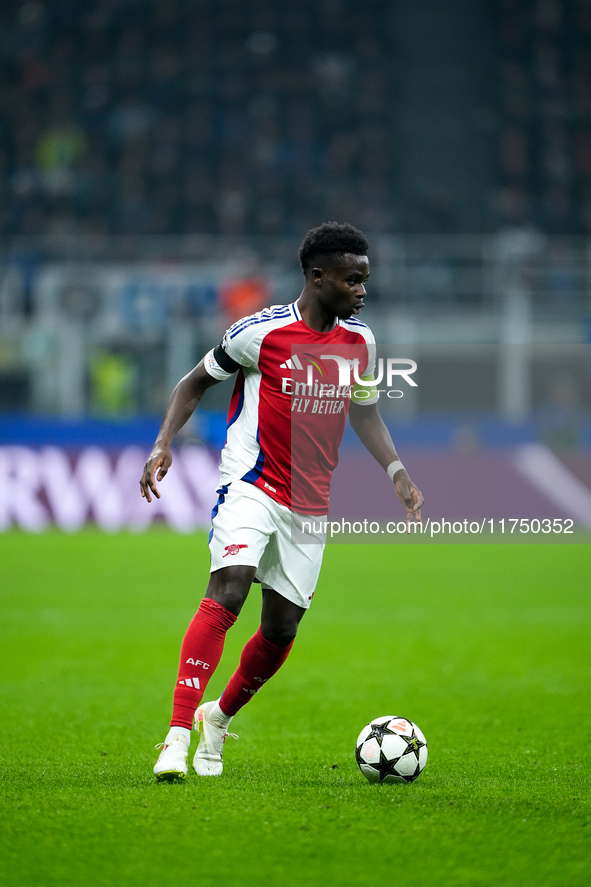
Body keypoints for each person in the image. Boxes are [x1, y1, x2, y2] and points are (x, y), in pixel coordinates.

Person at [139, 221, 423, 781]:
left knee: (281, 630)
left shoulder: (359, 342)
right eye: (352, 280)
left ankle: (216, 720)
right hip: (251, 482)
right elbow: (193, 382)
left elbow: (364, 411)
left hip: (311, 504)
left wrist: (396, 471)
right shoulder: (259, 333)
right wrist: (162, 443)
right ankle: (174, 738)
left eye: (365, 280)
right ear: (318, 278)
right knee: (229, 587)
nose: (363, 290)